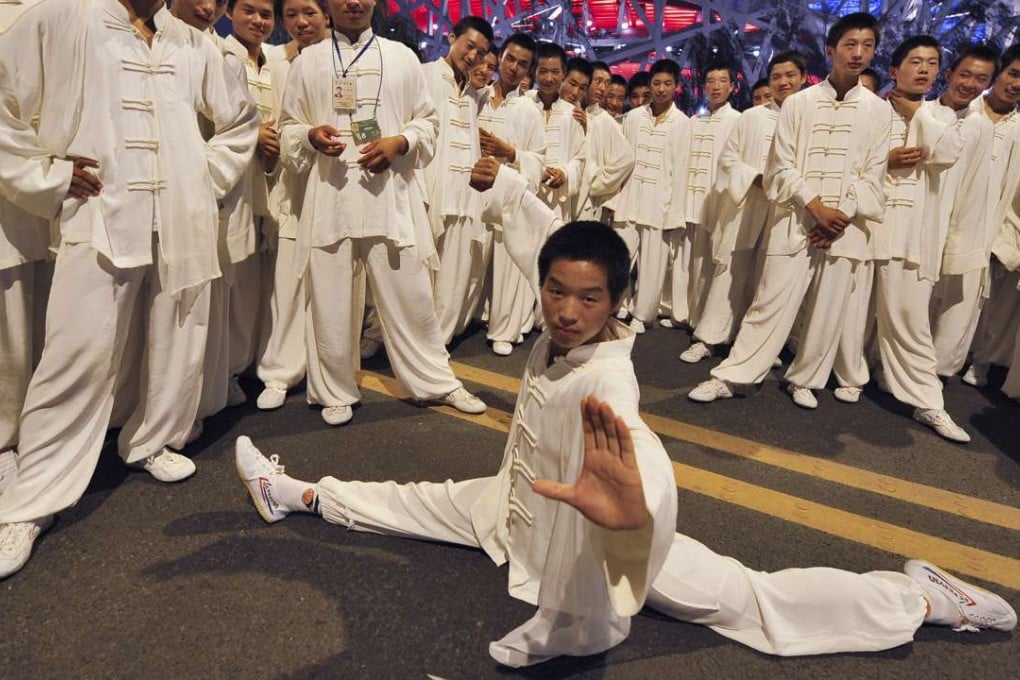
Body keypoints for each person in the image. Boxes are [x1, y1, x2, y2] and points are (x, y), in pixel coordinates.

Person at [236, 218, 1016, 668]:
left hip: (599, 533)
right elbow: (515, 220)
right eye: (555, 290)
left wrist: (635, 511)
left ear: (617, 302)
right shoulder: (555, 330)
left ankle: (919, 599)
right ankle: (295, 493)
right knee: (416, 501)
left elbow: (639, 451)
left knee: (750, 602)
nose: (568, 310)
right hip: (515, 507)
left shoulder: (608, 378)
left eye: (590, 297)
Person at [0, 0, 259, 579]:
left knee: (178, 333)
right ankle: (30, 498)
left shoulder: (191, 40)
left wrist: (205, 173)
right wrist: (47, 173)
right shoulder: (65, 16)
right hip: (100, 213)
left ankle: (152, 438)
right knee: (78, 352)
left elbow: (240, 120)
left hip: (182, 217)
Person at [276, 0, 485, 427]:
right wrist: (311, 136)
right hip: (331, 193)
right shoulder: (308, 61)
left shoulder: (402, 58)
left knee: (413, 295)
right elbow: (287, 127)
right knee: (330, 298)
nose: (353, 2)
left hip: (389, 194)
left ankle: (435, 380)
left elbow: (427, 122)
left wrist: (401, 143)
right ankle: (334, 389)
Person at [689, 13, 891, 411]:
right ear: (831, 51)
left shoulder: (878, 110)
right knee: (770, 301)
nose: (859, 53)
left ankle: (806, 378)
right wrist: (815, 207)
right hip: (797, 219)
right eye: (850, 44)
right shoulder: (799, 104)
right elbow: (781, 165)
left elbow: (874, 173)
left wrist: (841, 215)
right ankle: (733, 375)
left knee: (826, 309)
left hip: (844, 227)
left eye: (867, 45)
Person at [865, 35, 972, 442]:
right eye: (914, 61)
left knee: (909, 317)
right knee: (853, 311)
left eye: (931, 62)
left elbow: (946, 155)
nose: (924, 69)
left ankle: (929, 402)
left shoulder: (943, 116)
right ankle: (857, 372)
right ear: (894, 70)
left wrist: (916, 113)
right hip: (867, 223)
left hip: (910, 233)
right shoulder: (871, 110)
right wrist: (884, 160)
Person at [681, 51, 806, 365]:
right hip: (748, 202)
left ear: (803, 78)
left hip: (789, 209)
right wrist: (755, 178)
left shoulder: (811, 118)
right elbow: (728, 160)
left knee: (771, 278)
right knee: (730, 272)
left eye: (790, 75)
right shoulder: (752, 117)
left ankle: (757, 345)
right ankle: (709, 337)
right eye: (777, 76)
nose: (783, 82)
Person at [254, 0, 331, 411]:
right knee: (286, 283)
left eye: (310, 13)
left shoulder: (345, 62)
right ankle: (279, 371)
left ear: (327, 15)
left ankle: (327, 369)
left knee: (333, 287)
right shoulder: (276, 64)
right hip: (294, 185)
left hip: (338, 187)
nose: (301, 22)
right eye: (292, 15)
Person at [0, 0, 48, 498]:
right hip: (33, 182)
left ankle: (16, 441)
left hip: (35, 200)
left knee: (24, 336)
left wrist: (50, 174)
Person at [222, 0, 281, 405]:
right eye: (249, 11)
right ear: (230, 11)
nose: (258, 21)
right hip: (233, 182)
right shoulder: (220, 55)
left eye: (266, 14)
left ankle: (251, 360)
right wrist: (252, 136)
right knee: (232, 277)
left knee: (262, 277)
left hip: (271, 179)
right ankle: (224, 369)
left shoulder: (275, 64)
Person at [422, 15, 494, 345]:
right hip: (429, 192)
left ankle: (436, 343)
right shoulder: (423, 76)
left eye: (481, 53)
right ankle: (385, 334)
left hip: (464, 196)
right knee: (415, 274)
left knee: (452, 277)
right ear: (452, 38)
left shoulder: (472, 95)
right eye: (470, 46)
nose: (474, 56)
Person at [928, 46, 998, 378]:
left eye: (981, 79)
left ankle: (927, 376)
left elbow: (975, 185)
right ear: (950, 74)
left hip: (950, 221)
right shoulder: (922, 111)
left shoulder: (980, 126)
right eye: (965, 74)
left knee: (942, 306)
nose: (970, 83)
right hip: (916, 220)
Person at [476, 33, 546, 357]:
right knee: (469, 263)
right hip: (470, 193)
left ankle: (503, 327)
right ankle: (469, 317)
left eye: (523, 64)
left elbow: (540, 162)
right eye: (510, 59)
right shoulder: (475, 97)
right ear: (499, 57)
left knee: (507, 265)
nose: (515, 68)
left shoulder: (529, 111)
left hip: (505, 195)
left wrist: (512, 152)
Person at [614, 59, 690, 334]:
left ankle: (642, 314)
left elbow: (681, 169)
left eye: (667, 84)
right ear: (650, 85)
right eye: (656, 83)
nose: (661, 89)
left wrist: (675, 211)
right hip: (630, 196)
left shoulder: (683, 124)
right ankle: (616, 304)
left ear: (676, 87)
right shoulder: (633, 118)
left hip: (660, 201)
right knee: (620, 254)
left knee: (653, 263)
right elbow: (621, 161)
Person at [961, 44, 1020, 388]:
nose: (1016, 84)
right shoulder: (965, 111)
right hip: (957, 214)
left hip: (999, 221)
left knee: (994, 300)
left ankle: (983, 360)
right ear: (998, 72)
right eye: (1013, 74)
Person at [671, 60, 742, 331]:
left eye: (722, 80)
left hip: (716, 204)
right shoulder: (694, 121)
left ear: (732, 87)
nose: (715, 86)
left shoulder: (738, 121)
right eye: (710, 81)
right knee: (685, 263)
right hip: (688, 202)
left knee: (708, 266)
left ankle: (705, 320)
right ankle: (686, 313)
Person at [525, 47, 588, 223]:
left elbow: (580, 158)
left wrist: (565, 173)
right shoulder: (522, 106)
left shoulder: (572, 113)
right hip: (524, 195)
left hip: (556, 202)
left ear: (563, 74)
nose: (549, 78)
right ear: (534, 72)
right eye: (543, 71)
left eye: (555, 72)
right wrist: (535, 171)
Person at [573, 60, 634, 226]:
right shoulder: (569, 109)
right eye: (598, 81)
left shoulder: (605, 120)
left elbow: (626, 159)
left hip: (587, 203)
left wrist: (596, 184)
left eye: (606, 83)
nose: (602, 88)